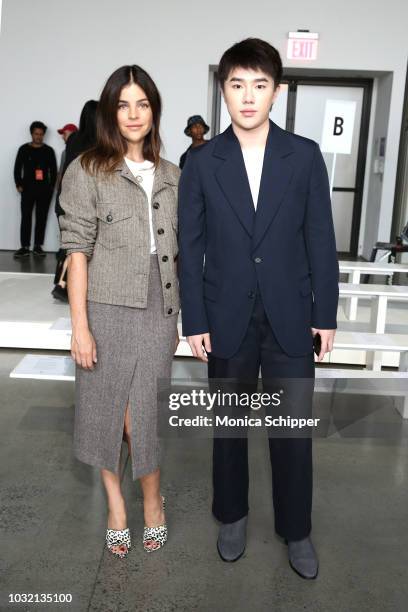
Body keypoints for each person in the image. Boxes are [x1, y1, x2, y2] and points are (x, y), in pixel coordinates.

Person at [178, 38, 339, 579]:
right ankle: (232, 516)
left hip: (291, 314)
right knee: (229, 424)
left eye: (259, 85)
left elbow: (321, 238)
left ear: (277, 91)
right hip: (225, 315)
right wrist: (195, 320)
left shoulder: (305, 155)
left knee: (292, 428)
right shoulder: (202, 162)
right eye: (236, 85)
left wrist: (327, 314)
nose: (248, 97)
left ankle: (297, 529)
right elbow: (190, 247)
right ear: (223, 90)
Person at [59, 66, 180, 558]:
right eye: (123, 105)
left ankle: (153, 500)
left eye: (142, 104)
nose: (133, 115)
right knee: (107, 408)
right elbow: (77, 253)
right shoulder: (86, 170)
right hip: (105, 305)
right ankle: (116, 505)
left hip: (159, 304)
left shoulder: (173, 175)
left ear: (154, 111)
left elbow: (185, 252)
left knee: (141, 415)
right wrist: (80, 327)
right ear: (110, 113)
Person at [53, 104, 98, 302]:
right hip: (86, 201)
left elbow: (65, 170)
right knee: (85, 248)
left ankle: (62, 284)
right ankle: (64, 285)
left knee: (70, 245)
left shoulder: (73, 139)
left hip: (65, 200)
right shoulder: (99, 142)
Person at [13, 121, 57, 259]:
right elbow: (17, 168)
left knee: (41, 218)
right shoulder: (23, 149)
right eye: (36, 134)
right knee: (26, 217)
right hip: (27, 189)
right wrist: (18, 184)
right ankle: (24, 247)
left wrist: (51, 187)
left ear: (43, 135)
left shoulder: (49, 151)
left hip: (44, 191)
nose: (38, 136)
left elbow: (54, 171)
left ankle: (38, 246)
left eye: (41, 134)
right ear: (31, 134)